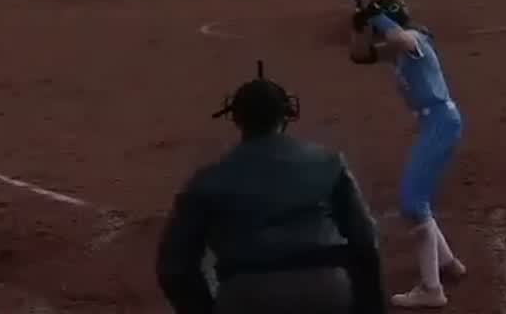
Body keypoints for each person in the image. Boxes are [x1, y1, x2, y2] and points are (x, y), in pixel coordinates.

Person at [156, 63, 387, 314]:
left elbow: (174, 268)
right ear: (287, 113)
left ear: (236, 118)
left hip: (246, 298)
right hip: (326, 290)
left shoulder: (205, 180)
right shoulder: (330, 162)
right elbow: (365, 242)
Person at [351, 0, 467, 309]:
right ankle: (448, 264)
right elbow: (359, 56)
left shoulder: (415, 41)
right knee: (418, 201)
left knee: (413, 203)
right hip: (436, 124)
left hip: (440, 121)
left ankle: (432, 289)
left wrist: (378, 17)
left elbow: (400, 37)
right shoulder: (398, 54)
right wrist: (360, 26)